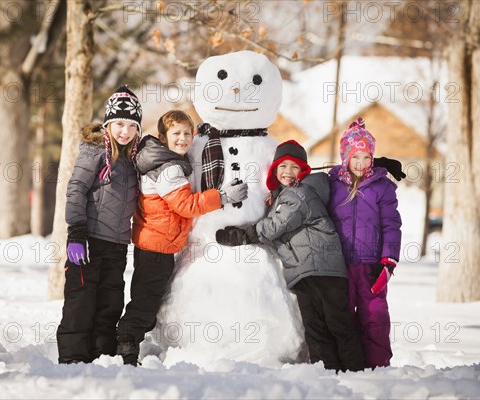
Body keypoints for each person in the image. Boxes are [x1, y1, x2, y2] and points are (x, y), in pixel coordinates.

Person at [215, 140, 365, 372]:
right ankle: (327, 371)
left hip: (324, 270)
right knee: (315, 327)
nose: (287, 172)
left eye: (294, 167)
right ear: (275, 169)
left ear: (303, 171)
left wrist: (242, 235)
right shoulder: (282, 198)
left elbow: (276, 226)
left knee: (338, 323)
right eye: (282, 166)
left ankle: (357, 371)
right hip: (303, 272)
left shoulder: (300, 194)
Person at [116, 110, 249, 366]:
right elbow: (186, 205)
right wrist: (223, 196)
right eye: (176, 133)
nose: (183, 138)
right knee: (146, 301)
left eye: (187, 133)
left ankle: (127, 339)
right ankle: (126, 345)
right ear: (163, 137)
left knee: (148, 296)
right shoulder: (168, 169)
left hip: (157, 243)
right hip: (157, 246)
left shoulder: (166, 161)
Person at [56, 85, 142, 364]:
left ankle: (102, 356)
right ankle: (73, 359)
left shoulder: (132, 159)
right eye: (119, 124)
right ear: (107, 124)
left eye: (131, 125)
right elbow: (75, 189)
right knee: (81, 302)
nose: (125, 132)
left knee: (110, 304)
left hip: (116, 245)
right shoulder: (94, 151)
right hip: (89, 240)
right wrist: (76, 233)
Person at [328, 117, 402, 369]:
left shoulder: (383, 187)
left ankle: (377, 367)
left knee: (375, 317)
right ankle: (346, 366)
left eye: (366, 157)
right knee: (343, 316)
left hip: (372, 266)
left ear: (372, 158)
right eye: (355, 157)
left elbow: (391, 225)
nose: (360, 164)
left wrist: (388, 262)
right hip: (339, 266)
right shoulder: (332, 184)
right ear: (345, 157)